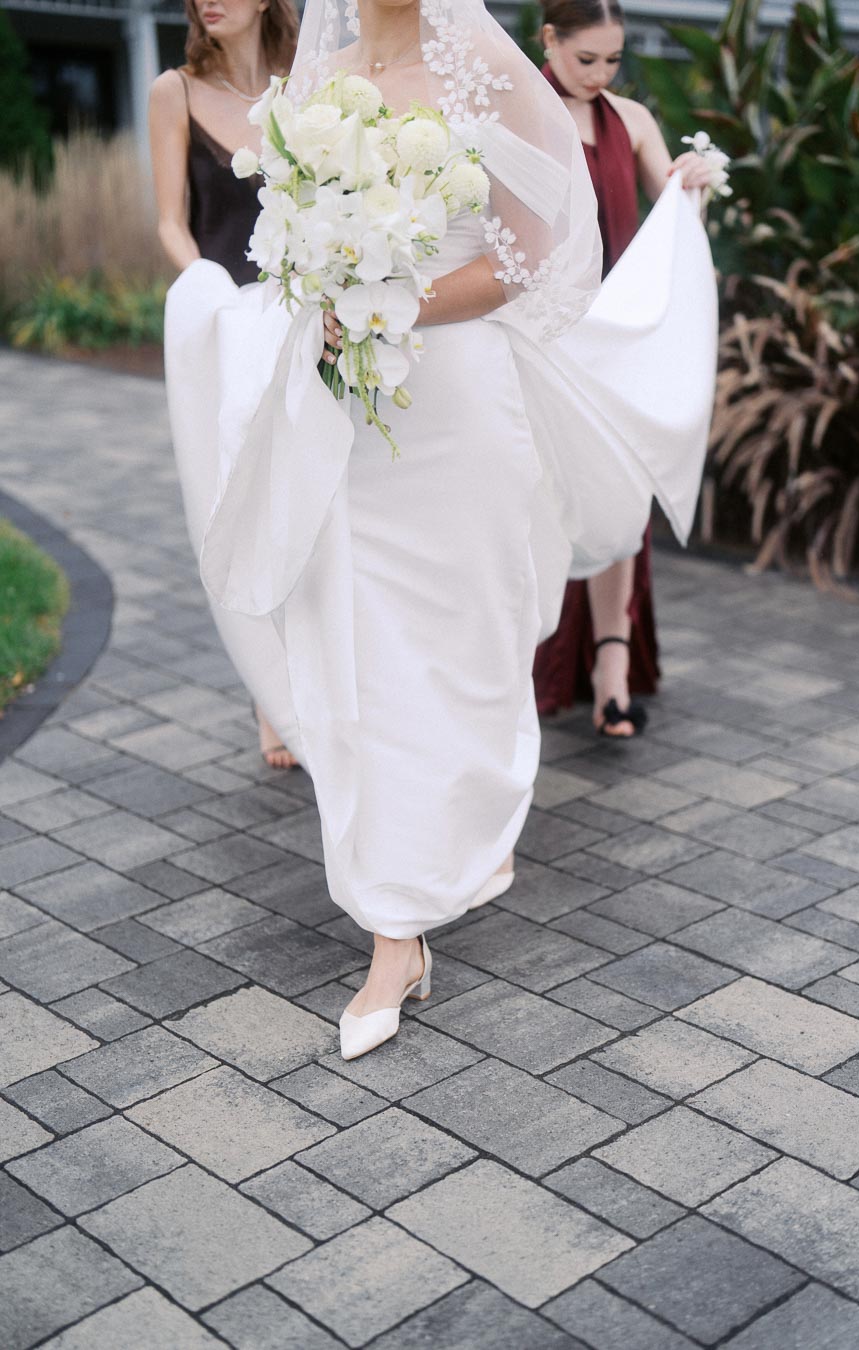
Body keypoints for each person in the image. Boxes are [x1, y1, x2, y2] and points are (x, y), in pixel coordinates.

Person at [164, 0, 717, 1060]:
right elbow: (291, 228)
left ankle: (454, 840)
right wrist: (319, 283)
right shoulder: (316, 86)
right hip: (347, 412)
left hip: (454, 402)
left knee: (461, 649)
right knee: (362, 653)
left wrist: (394, 302)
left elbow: (524, 254)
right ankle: (396, 931)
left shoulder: (483, 72)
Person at [535, 0, 717, 736]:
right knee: (544, 494)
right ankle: (530, 653)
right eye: (586, 60)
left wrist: (691, 183)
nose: (601, 75)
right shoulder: (519, 110)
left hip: (616, 340)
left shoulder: (633, 118)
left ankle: (612, 666)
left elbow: (670, 224)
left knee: (619, 493)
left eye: (613, 61)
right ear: (548, 40)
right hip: (547, 335)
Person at [148, 0, 300, 768]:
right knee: (246, 501)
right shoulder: (171, 90)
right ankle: (271, 692)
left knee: (311, 500)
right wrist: (205, 284)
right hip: (226, 324)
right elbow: (171, 219)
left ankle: (316, 673)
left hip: (307, 323)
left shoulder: (309, 82)